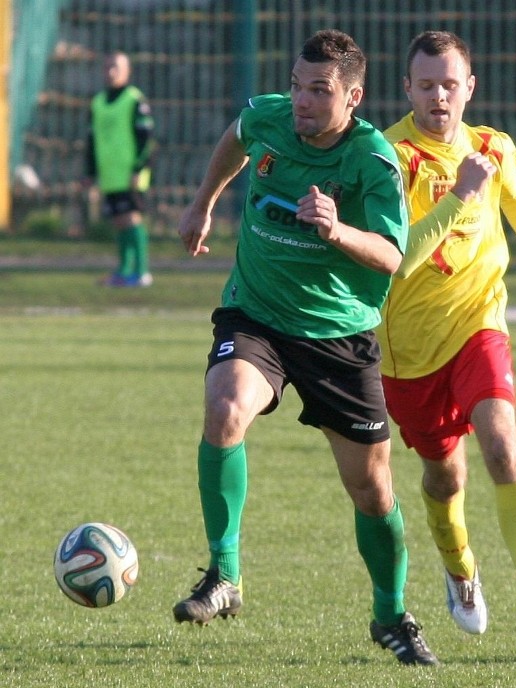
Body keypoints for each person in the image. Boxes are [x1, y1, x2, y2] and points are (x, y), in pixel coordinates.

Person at [171, 30, 438, 667]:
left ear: (353, 97)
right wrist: (202, 203)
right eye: (297, 85)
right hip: (258, 316)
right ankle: (225, 575)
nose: (301, 102)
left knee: (373, 491)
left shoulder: (372, 159)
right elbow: (237, 136)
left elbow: (393, 255)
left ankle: (390, 614)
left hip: (337, 336)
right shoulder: (271, 116)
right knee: (225, 408)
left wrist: (336, 228)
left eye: (318, 91)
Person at [378, 30, 516, 658]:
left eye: (450, 85)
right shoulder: (388, 156)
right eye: (426, 85)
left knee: (501, 444)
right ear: (408, 89)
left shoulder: (491, 146)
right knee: (443, 477)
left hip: (479, 324)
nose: (439, 96)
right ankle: (460, 568)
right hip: (407, 352)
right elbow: (398, 260)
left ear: (470, 89)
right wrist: (460, 195)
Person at [85, 51, 155, 287]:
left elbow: (146, 138)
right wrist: (90, 172)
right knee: (118, 221)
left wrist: (138, 168)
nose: (111, 71)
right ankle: (124, 271)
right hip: (110, 174)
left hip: (130, 173)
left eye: (116, 67)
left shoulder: (134, 100)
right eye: (107, 67)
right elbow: (92, 141)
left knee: (132, 218)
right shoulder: (97, 102)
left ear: (128, 71)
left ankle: (142, 272)